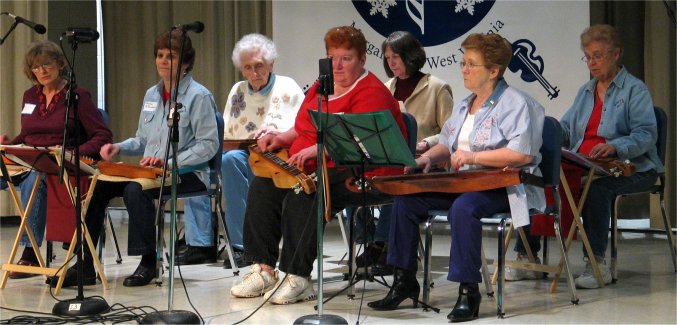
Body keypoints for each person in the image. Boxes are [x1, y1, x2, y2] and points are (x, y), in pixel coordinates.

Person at [367, 33, 545, 322]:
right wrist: (424, 159)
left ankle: (468, 290)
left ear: (494, 71)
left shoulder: (516, 104)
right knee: (405, 202)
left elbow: (521, 154)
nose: (464, 69)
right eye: (463, 63)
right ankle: (404, 280)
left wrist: (474, 157)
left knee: (464, 209)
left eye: (471, 64)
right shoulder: (466, 104)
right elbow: (447, 144)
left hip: (501, 185)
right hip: (462, 184)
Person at [229, 25, 407, 305]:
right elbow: (303, 127)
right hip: (315, 165)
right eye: (331, 57)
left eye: (345, 58)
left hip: (361, 171)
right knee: (263, 186)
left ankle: (298, 276)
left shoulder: (371, 92)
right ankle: (263, 269)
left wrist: (318, 149)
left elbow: (358, 144)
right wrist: (279, 137)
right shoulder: (321, 85)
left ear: (362, 60)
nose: (336, 65)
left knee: (305, 190)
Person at [47, 30, 219, 288]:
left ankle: (149, 261)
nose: (162, 61)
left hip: (189, 174)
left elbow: (209, 145)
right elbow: (142, 140)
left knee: (134, 190)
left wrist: (170, 163)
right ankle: (85, 265)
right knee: (97, 188)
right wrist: (117, 147)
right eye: (159, 55)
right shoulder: (152, 94)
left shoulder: (199, 96)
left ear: (185, 62)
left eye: (170, 56)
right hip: (150, 173)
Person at [508, 24, 662, 289]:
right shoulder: (586, 91)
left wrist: (615, 146)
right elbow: (566, 130)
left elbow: (647, 134)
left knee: (597, 190)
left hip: (632, 168)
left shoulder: (634, 90)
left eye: (598, 55)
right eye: (588, 56)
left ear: (616, 54)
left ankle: (597, 263)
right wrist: (545, 130)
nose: (591, 62)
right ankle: (528, 256)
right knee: (533, 178)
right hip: (587, 164)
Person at [178, 34, 303, 267]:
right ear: (241, 69)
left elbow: (302, 126)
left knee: (256, 168)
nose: (254, 73)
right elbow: (228, 133)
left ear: (271, 64)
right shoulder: (238, 90)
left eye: (259, 66)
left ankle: (263, 243)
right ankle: (241, 246)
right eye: (248, 68)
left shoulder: (288, 86)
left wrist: (274, 132)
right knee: (230, 160)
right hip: (243, 152)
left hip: (279, 154)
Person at [0, 40, 112, 279]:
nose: (40, 71)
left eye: (45, 65)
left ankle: (29, 254)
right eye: (35, 67)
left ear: (60, 64)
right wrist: (9, 144)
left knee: (34, 179)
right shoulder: (30, 95)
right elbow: (27, 135)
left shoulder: (78, 96)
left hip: (59, 165)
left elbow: (102, 135)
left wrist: (74, 152)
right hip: (28, 158)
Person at [353, 30, 453, 275]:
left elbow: (452, 133)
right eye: (387, 58)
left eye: (396, 56)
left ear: (411, 56)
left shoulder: (437, 88)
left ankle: (383, 245)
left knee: (395, 182)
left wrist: (426, 144)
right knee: (352, 180)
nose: (391, 62)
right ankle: (369, 243)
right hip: (391, 159)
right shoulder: (385, 88)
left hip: (424, 165)